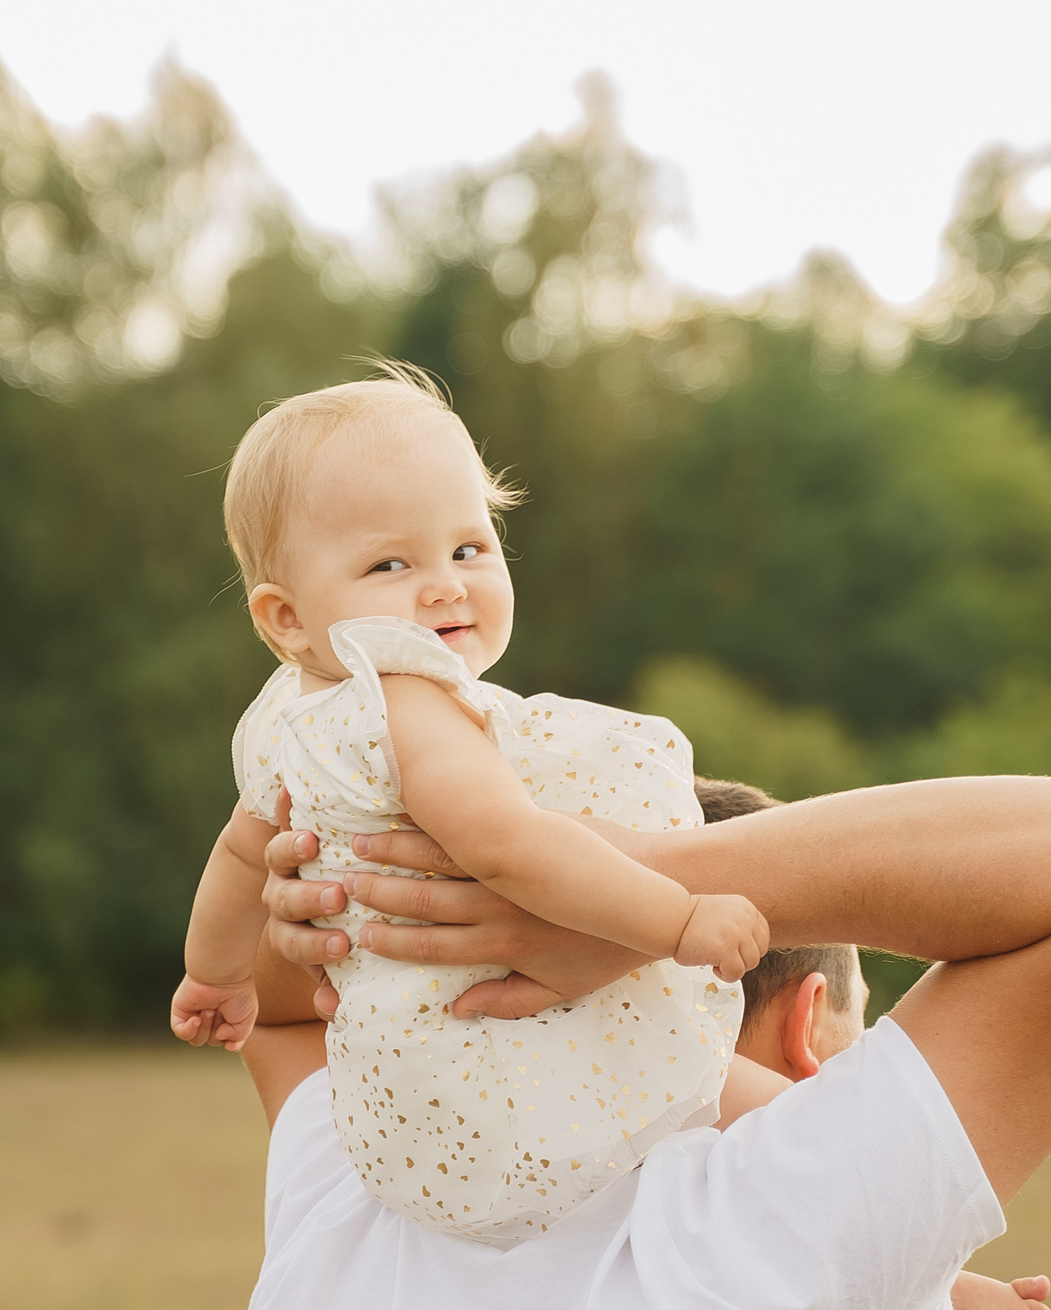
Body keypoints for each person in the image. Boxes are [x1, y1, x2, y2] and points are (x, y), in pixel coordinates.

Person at [236, 744, 1051, 1310]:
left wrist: (455, 908)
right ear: (808, 1025)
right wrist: (649, 897)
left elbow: (273, 1010)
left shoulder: (360, 1201)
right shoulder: (789, 1238)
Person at [172, 364, 768, 1245]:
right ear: (287, 616)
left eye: (469, 547)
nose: (446, 584)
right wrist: (676, 919)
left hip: (399, 1093)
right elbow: (508, 847)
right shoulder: (406, 701)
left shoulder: (279, 719)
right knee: (746, 1114)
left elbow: (236, 853)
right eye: (390, 563)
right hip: (500, 1055)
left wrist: (214, 975)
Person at [697, 776, 1051, 1310]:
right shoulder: (807, 1218)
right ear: (808, 1022)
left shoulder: (557, 1148)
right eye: (860, 1018)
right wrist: (944, 1287)